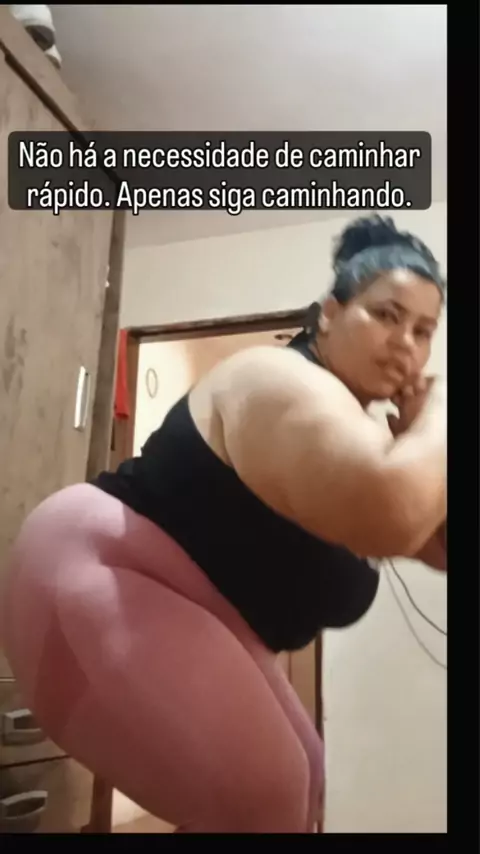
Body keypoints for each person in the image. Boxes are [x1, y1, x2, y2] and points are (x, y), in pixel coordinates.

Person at [1, 215, 447, 834]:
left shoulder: (362, 439)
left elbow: (435, 543)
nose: (406, 344)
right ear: (328, 313)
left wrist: (421, 435)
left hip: (191, 607)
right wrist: (441, 416)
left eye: (424, 331)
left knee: (303, 778)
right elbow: (394, 513)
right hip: (93, 568)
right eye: (386, 315)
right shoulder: (277, 380)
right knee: (268, 792)